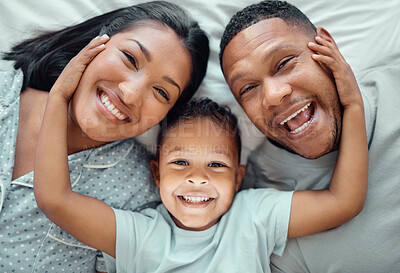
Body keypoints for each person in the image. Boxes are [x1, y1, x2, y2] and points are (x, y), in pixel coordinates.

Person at [33, 27, 367, 271]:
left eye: (217, 166)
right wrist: (59, 97)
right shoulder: (138, 235)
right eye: (180, 163)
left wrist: (352, 104)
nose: (197, 179)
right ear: (156, 175)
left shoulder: (254, 218)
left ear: (239, 179)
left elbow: (343, 202)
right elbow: (55, 200)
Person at [0, 1, 209, 272]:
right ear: (94, 44)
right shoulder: (5, 90)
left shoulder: (138, 196)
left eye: (161, 93)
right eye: (130, 58)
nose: (130, 93)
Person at [219, 1, 400, 272]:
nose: (273, 95)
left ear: (326, 45)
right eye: (248, 88)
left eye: (283, 63)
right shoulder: (269, 214)